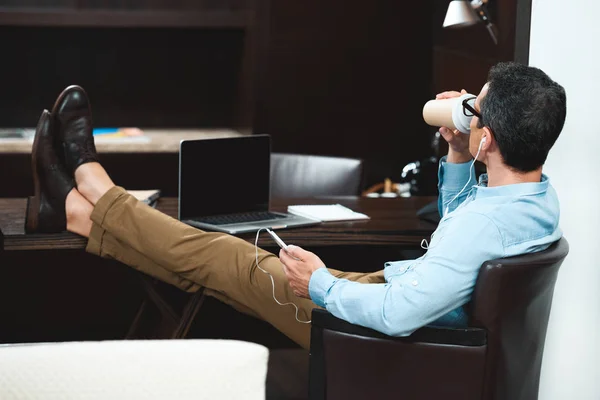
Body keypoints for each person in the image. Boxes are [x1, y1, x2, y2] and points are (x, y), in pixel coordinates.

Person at [25, 61, 566, 349]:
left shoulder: (485, 226)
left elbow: (399, 317)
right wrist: (455, 147)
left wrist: (320, 284)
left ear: (489, 140)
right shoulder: (534, 199)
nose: (465, 114)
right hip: (412, 302)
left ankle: (90, 197)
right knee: (214, 259)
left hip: (382, 338)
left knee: (220, 258)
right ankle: (84, 206)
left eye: (476, 113)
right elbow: (459, 234)